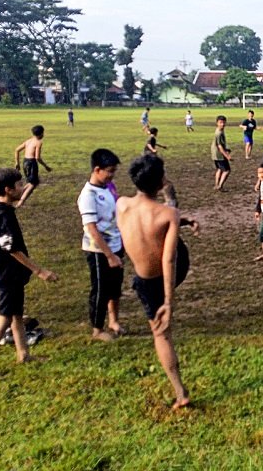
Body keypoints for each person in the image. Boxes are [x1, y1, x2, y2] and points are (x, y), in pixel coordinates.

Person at [116, 155, 191, 410]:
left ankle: (181, 393)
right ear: (160, 181)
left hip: (148, 279)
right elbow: (169, 259)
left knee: (161, 334)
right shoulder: (168, 214)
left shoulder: (121, 204)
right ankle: (180, 393)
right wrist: (169, 302)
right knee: (170, 217)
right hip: (169, 270)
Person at [0, 168, 58, 379]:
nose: (22, 188)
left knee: (16, 315)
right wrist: (39, 271)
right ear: (7, 190)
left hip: (9, 272)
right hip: (7, 274)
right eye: (19, 186)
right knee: (3, 321)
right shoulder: (3, 216)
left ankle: (23, 354)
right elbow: (10, 248)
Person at [77, 149, 125, 342]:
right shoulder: (88, 195)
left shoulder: (109, 187)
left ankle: (114, 321)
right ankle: (97, 329)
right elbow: (92, 230)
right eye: (110, 171)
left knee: (115, 288)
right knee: (100, 290)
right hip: (98, 251)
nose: (112, 175)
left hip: (116, 245)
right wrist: (109, 256)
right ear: (97, 169)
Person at [14, 125, 51, 208]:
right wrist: (46, 166)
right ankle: (20, 203)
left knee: (31, 182)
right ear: (41, 134)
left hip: (25, 162)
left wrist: (17, 163)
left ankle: (20, 195)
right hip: (31, 163)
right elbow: (37, 157)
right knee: (33, 184)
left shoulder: (28, 141)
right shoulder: (38, 142)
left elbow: (17, 150)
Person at [212, 115, 232, 191]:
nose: (222, 124)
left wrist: (226, 149)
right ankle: (220, 186)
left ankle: (216, 185)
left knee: (219, 169)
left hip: (215, 154)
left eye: (223, 122)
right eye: (220, 122)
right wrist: (227, 156)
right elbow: (220, 147)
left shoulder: (218, 130)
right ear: (217, 123)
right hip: (219, 155)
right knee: (227, 170)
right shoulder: (219, 133)